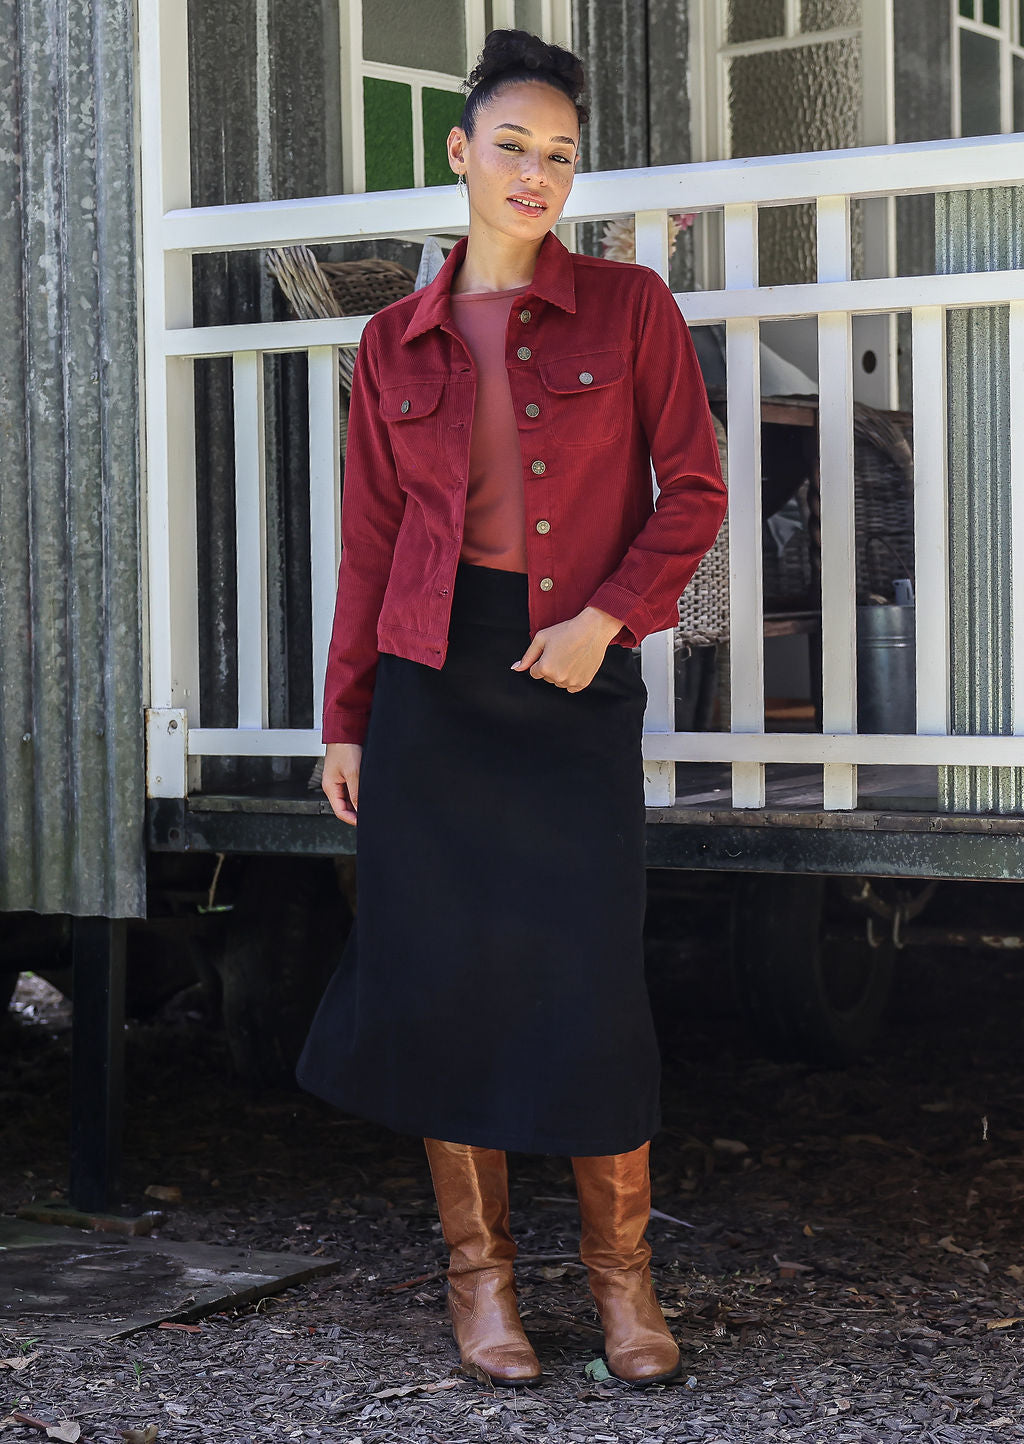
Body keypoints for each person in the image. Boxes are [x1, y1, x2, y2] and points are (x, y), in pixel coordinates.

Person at [295, 28, 728, 1391]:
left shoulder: (630, 309)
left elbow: (697, 491)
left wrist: (608, 620)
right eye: (514, 148)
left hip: (574, 670)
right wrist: (346, 721)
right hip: (432, 677)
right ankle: (481, 1287)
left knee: (591, 982)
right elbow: (370, 543)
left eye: (561, 155)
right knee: (445, 980)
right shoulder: (393, 342)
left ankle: (621, 1286)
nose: (537, 176)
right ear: (459, 152)